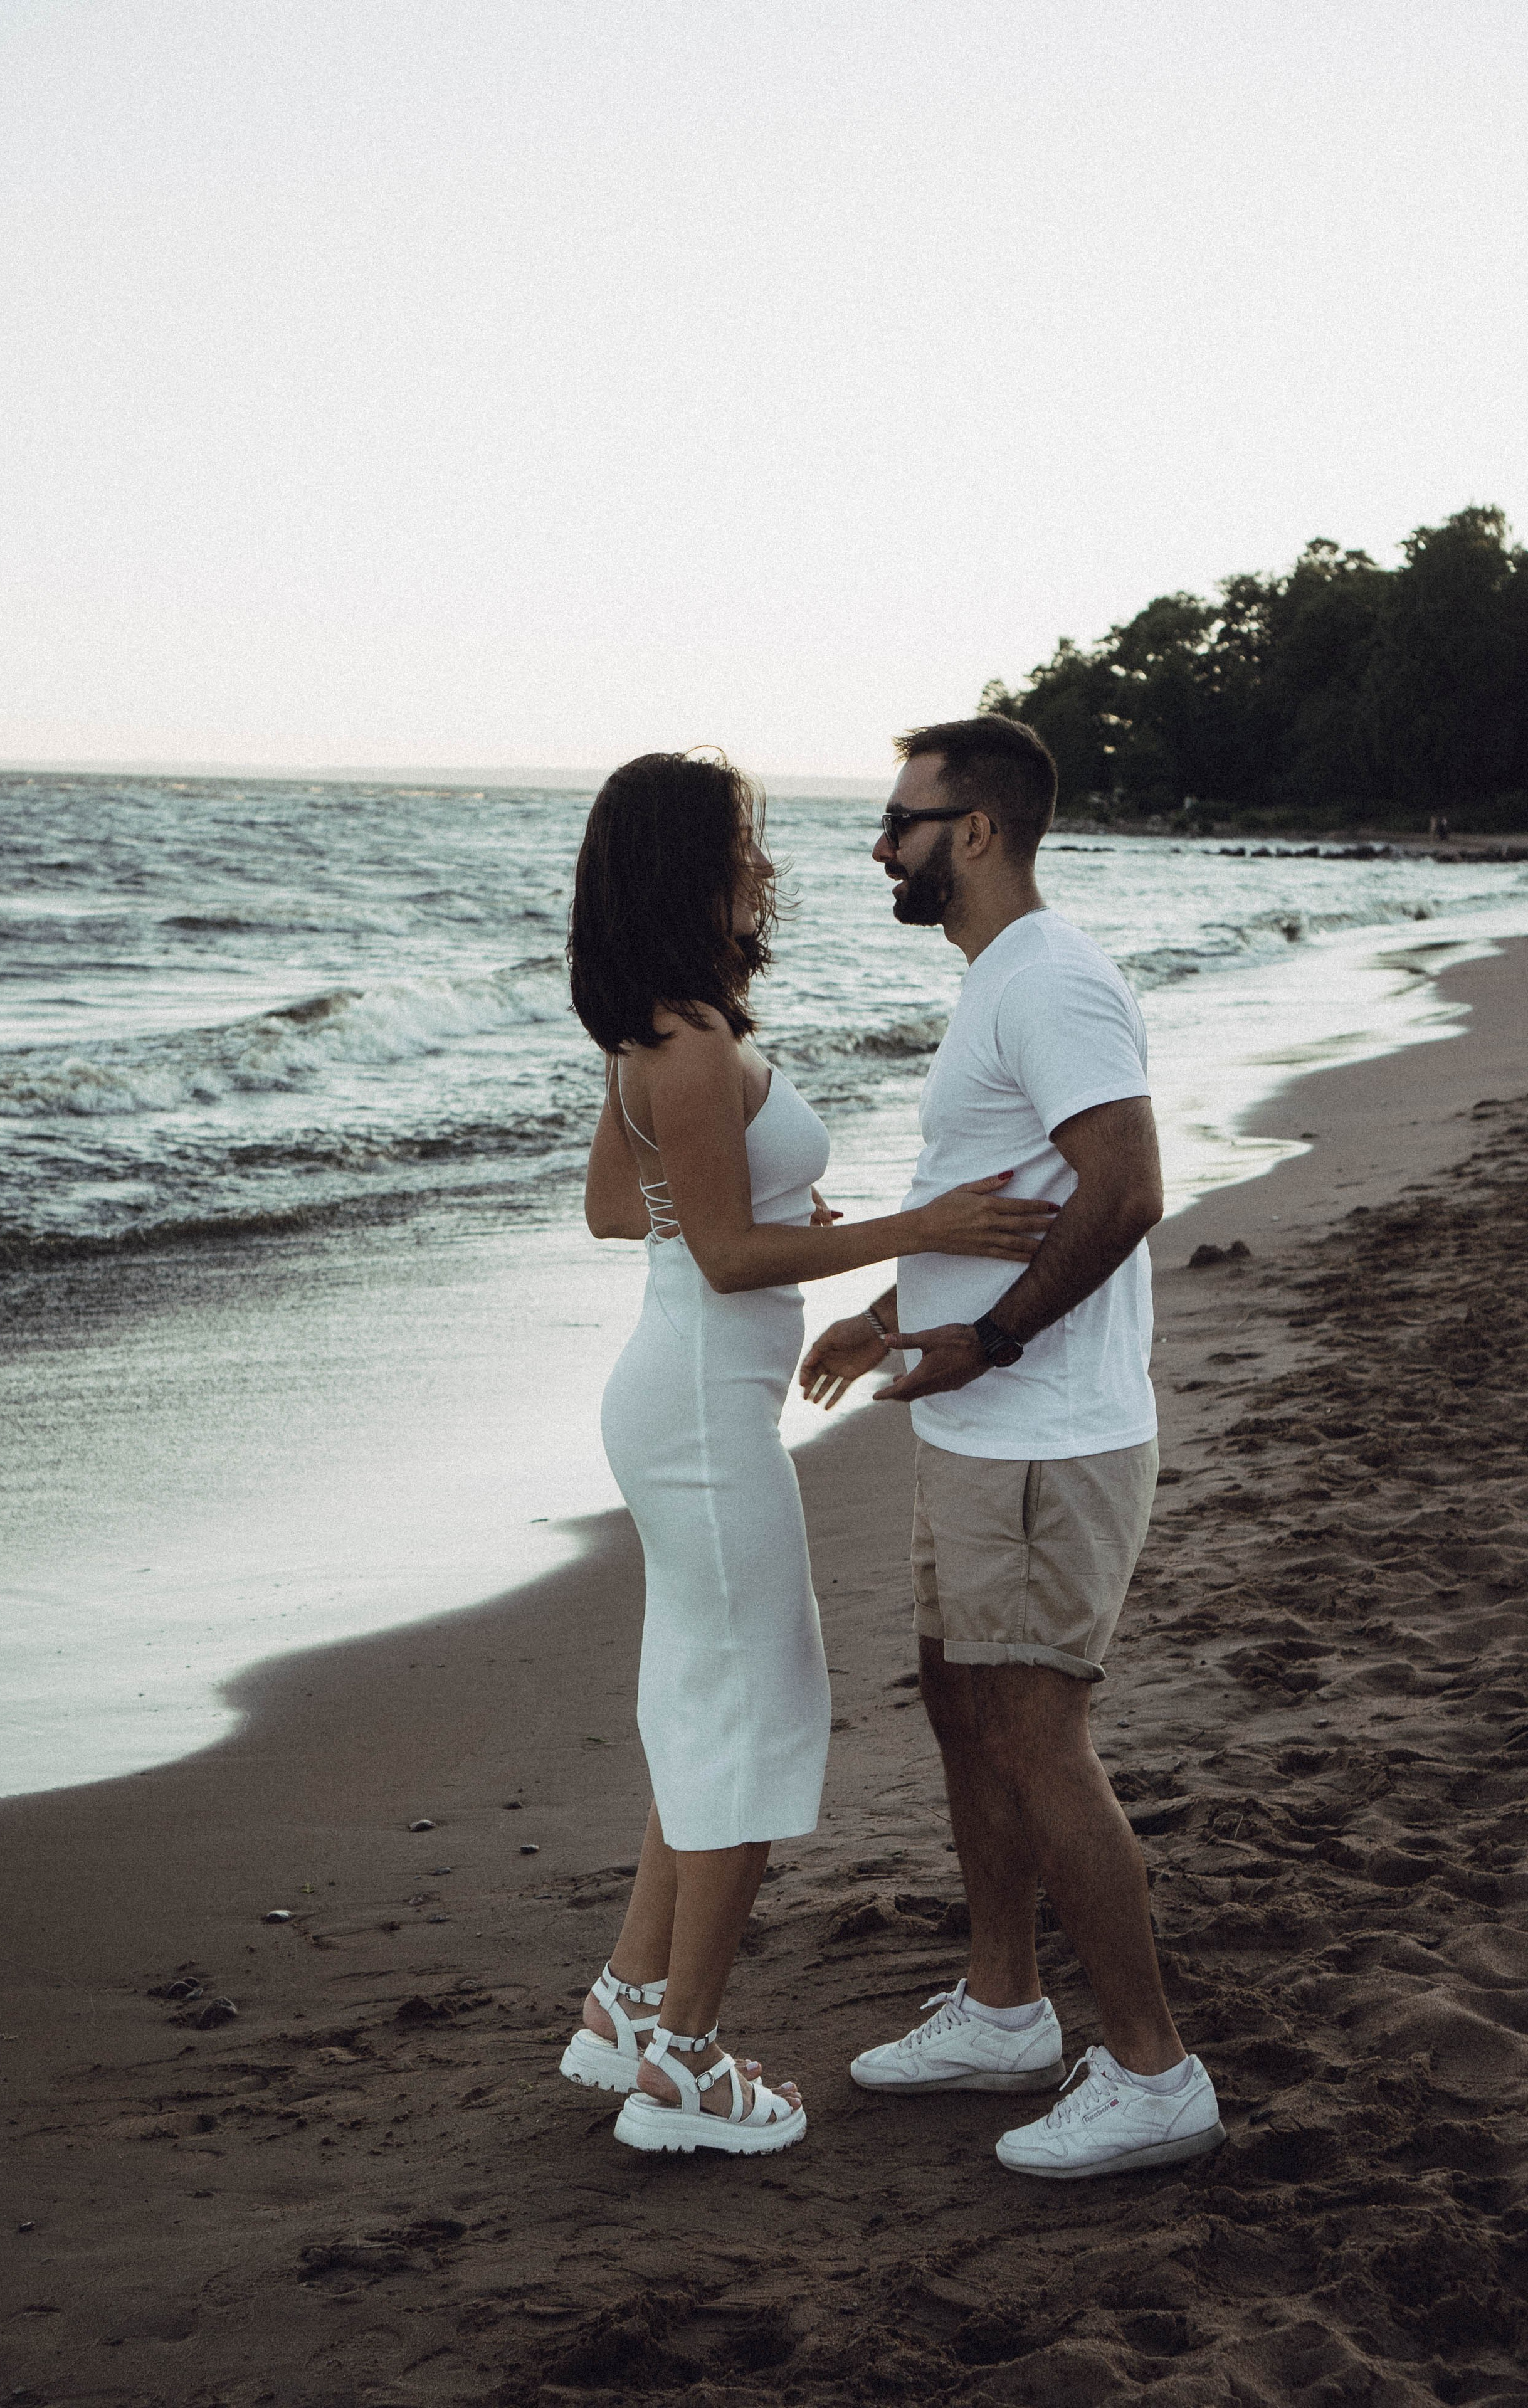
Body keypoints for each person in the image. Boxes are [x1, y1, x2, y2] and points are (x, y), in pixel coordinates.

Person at [558, 749, 1055, 2158]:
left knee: (700, 1702)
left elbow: (623, 1210)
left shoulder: (655, 1030)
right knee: (759, 1709)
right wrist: (917, 1228)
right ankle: (685, 2071)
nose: (761, 863)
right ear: (687, 865)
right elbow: (719, 1255)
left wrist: (776, 1198)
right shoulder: (692, 1044)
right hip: (704, 1412)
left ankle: (622, 2007)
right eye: (742, 842)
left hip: (673, 1399)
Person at [800, 715, 1227, 2179]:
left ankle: (1154, 2070)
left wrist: (986, 1342)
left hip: (1042, 1432)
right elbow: (1008, 1195)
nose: (880, 848)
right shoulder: (1004, 984)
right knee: (958, 1705)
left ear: (972, 832)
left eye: (900, 823)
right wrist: (887, 1313)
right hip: (987, 1427)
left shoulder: (1046, 982)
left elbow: (1126, 1187)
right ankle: (999, 2007)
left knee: (1035, 1733)